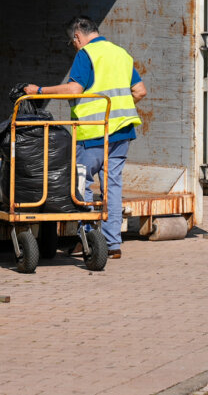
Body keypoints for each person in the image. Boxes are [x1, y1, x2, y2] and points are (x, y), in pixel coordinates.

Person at [24, 16, 146, 258]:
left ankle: (87, 237)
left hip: (93, 133)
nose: (75, 46)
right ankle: (112, 244)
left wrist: (39, 91)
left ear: (77, 37)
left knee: (83, 185)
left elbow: (74, 89)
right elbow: (139, 91)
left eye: (73, 43)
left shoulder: (86, 54)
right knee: (112, 187)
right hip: (122, 132)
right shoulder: (121, 53)